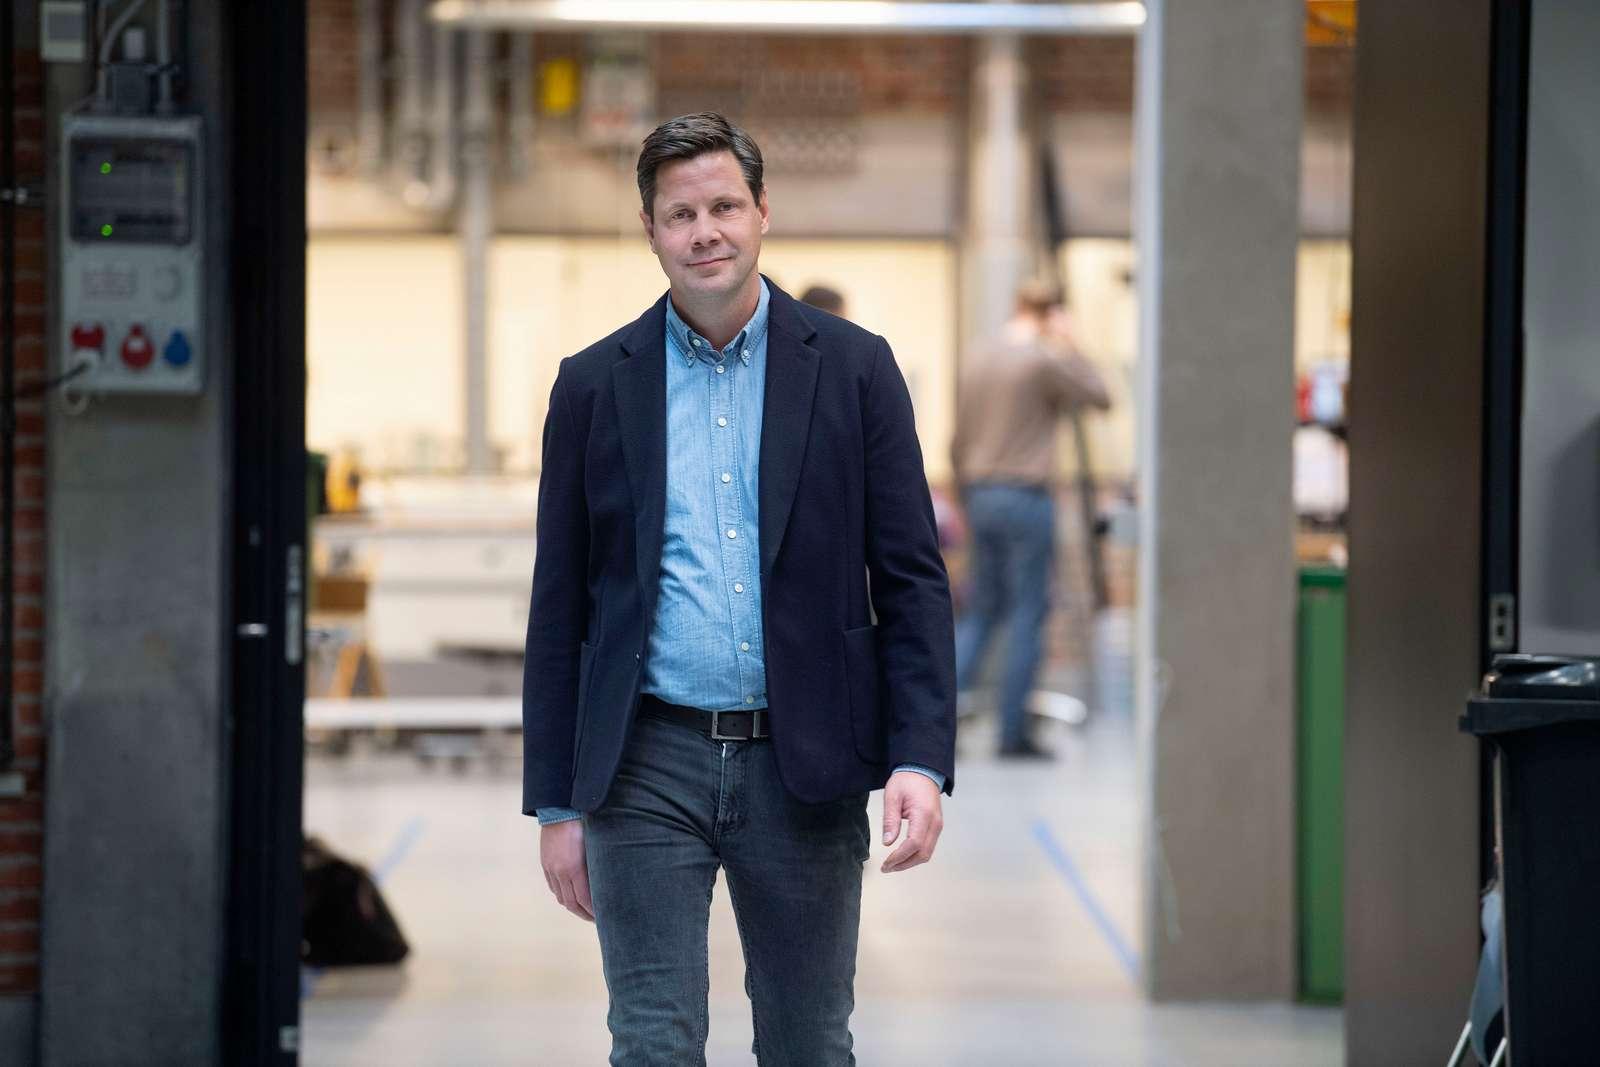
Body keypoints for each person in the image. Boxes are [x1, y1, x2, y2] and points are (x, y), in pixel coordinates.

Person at [523, 112, 956, 1066]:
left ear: (763, 211)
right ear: (650, 230)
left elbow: (912, 581)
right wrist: (555, 802)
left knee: (808, 1043)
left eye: (723, 206)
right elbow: (561, 606)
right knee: (652, 1043)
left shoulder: (855, 369)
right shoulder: (592, 385)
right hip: (645, 759)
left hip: (805, 760)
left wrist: (920, 757)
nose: (704, 232)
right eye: (680, 214)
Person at [949, 280, 1110, 759]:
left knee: (982, 611)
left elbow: (958, 440)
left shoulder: (978, 357)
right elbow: (1100, 396)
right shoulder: (1043, 360)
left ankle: (938, 724)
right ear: (1053, 313)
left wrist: (965, 496)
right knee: (1027, 612)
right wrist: (1071, 343)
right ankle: (1012, 734)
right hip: (1025, 496)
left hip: (980, 495)